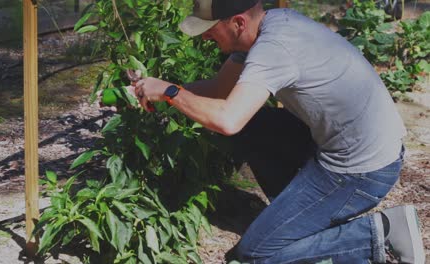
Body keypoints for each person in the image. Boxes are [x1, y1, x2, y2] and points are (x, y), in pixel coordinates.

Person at [132, 0, 425, 263]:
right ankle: (298, 219)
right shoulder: (271, 25)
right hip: (349, 143)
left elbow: (227, 119)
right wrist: (155, 92)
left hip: (361, 172)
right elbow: (221, 90)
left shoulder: (273, 49)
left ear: (238, 22)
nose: (204, 35)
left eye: (210, 28)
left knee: (256, 254)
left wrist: (170, 92)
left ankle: (382, 231)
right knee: (254, 127)